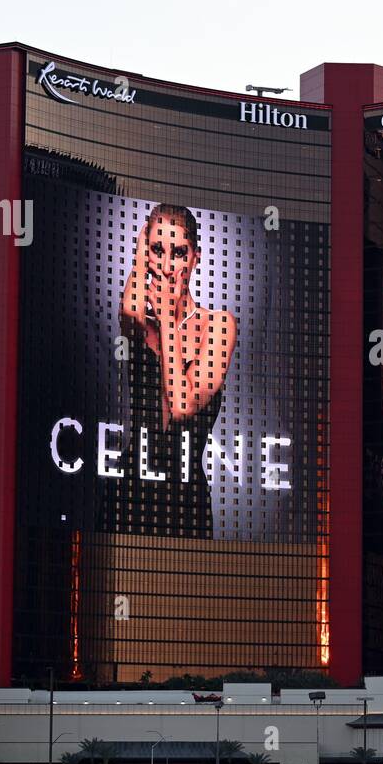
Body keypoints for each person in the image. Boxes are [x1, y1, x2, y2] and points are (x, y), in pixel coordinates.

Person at [118, 204, 236, 536]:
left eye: (179, 253)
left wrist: (169, 319)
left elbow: (183, 405)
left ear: (195, 258)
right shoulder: (141, 323)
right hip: (129, 492)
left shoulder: (218, 326)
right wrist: (142, 256)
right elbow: (129, 312)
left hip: (185, 500)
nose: (168, 266)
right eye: (158, 249)